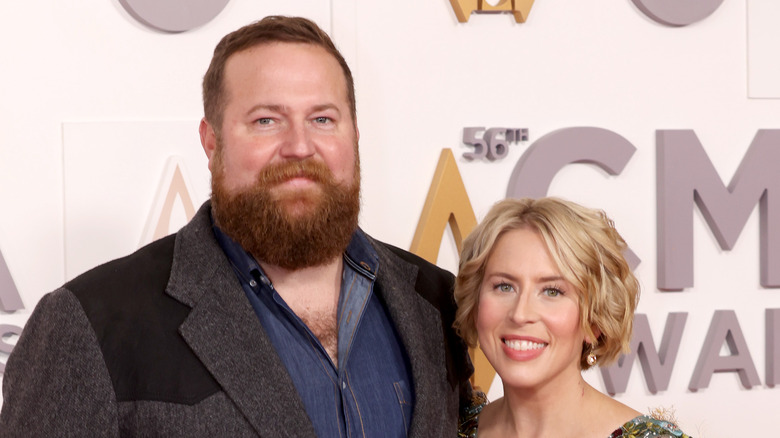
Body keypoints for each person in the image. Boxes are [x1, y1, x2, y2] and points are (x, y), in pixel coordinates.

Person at [0, 16, 472, 437]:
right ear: (211, 141)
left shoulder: (435, 301)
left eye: (323, 119)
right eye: (266, 120)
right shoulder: (91, 323)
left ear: (354, 134)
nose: (299, 147)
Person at [453, 198, 692, 438]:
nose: (520, 314)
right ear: (475, 303)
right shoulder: (446, 426)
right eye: (504, 286)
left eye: (552, 291)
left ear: (595, 320)